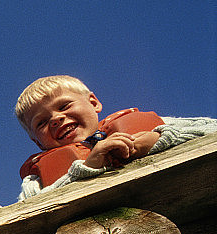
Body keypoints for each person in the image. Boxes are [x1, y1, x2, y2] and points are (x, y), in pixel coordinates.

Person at [14, 75, 217, 200]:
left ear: (93, 103)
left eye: (64, 106)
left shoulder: (156, 128)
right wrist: (87, 169)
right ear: (37, 142)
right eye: (41, 122)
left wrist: (157, 140)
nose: (56, 119)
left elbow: (211, 129)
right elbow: (31, 207)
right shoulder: (35, 179)